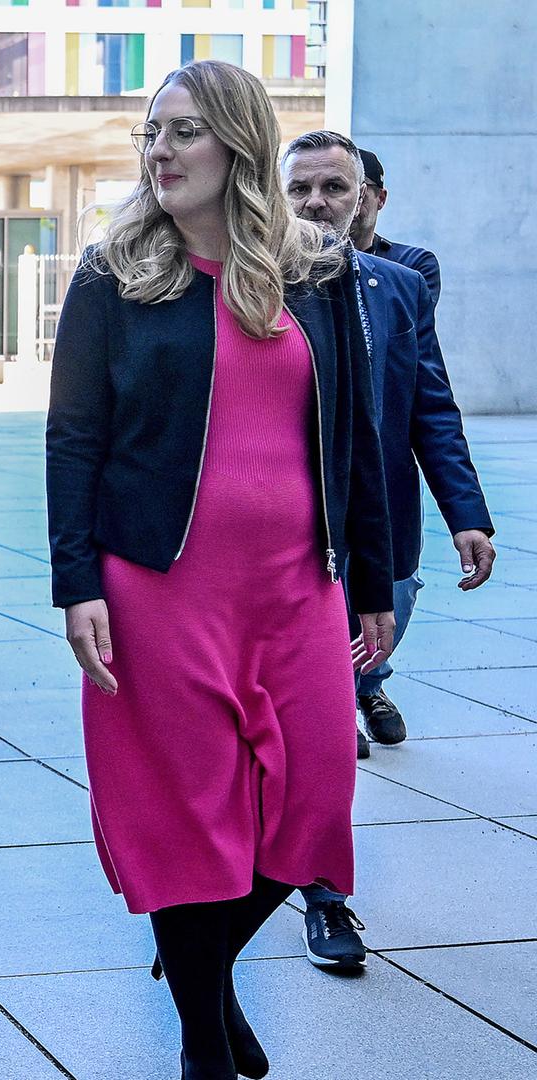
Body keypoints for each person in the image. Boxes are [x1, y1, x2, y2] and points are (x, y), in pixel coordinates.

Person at [45, 62, 393, 1080]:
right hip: (160, 590)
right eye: (152, 133)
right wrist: (77, 584)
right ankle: (204, 1040)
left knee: (316, 801)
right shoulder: (113, 275)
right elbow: (73, 440)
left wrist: (372, 579)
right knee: (189, 824)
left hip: (298, 586)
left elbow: (355, 434)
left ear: (238, 143)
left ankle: (201, 964)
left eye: (184, 131)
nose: (160, 151)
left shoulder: (319, 274)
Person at [280, 131, 495, 970]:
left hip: (383, 539)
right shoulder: (255, 280)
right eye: (300, 189)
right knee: (321, 728)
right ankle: (322, 893)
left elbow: (429, 404)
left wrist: (465, 513)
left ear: (367, 198)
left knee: (340, 700)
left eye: (334, 188)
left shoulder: (400, 286)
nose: (317, 204)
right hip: (291, 545)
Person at [351, 149, 441, 306]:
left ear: (381, 198)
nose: (347, 203)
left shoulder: (412, 263)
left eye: (358, 193)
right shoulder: (304, 263)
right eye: (334, 189)